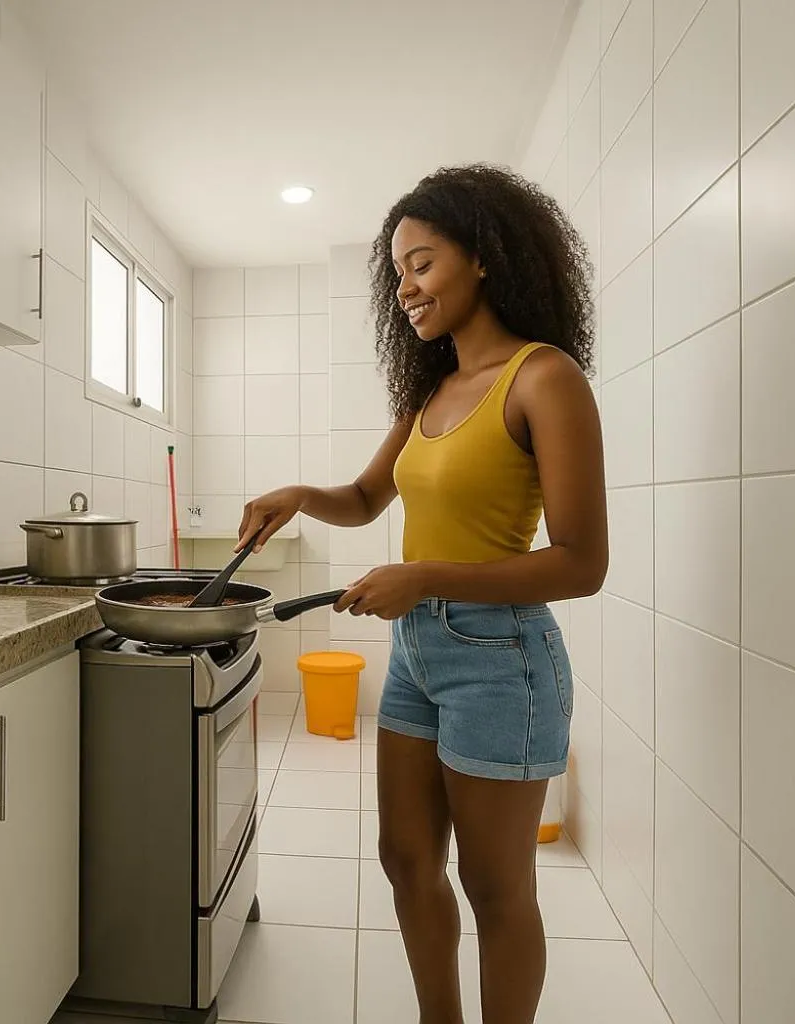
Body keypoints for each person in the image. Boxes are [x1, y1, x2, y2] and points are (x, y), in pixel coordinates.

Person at [236, 163, 608, 1024]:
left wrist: (426, 576)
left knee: (494, 886)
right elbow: (366, 500)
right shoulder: (430, 392)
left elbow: (582, 562)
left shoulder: (544, 379)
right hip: (418, 655)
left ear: (484, 257)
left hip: (501, 658)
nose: (404, 287)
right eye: (397, 271)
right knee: (404, 859)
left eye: (423, 263)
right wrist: (299, 494)